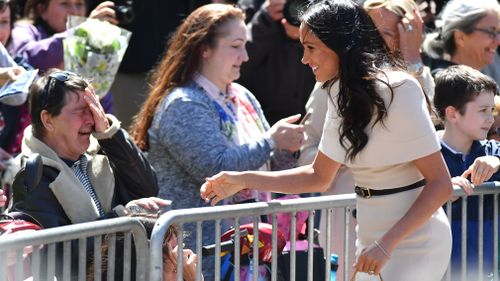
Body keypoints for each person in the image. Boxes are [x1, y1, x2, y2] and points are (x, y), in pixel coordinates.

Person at [201, 1, 453, 280]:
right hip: (371, 240)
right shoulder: (336, 92)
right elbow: (318, 176)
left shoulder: (399, 89)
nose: (304, 59)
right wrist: (243, 179)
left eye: (311, 48)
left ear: (341, 46)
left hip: (416, 243)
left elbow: (441, 184)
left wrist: (387, 243)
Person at [130, 3, 304, 278]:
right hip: (200, 255)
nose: (245, 56)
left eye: (245, 45)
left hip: (248, 253)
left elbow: (270, 165)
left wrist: (294, 146)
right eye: (235, 46)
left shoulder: (243, 96)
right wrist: (272, 141)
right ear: (204, 48)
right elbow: (214, 167)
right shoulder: (183, 103)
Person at [433, 64, 500, 279]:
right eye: (483, 111)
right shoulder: (425, 154)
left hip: (482, 273)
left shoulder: (491, 149)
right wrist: (440, 191)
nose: (490, 119)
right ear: (452, 113)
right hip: (432, 273)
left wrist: (497, 160)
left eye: (492, 110)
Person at [237, 0, 316, 125]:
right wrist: (264, 19)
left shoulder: (325, 6)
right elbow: (238, 65)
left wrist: (304, 38)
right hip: (262, 121)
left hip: (311, 122)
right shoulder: (251, 7)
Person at [422, 0, 500, 76]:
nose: (498, 41)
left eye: (498, 32)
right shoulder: (447, 85)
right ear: (460, 37)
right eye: (491, 32)